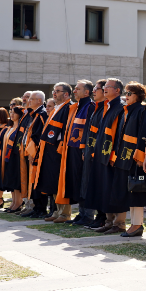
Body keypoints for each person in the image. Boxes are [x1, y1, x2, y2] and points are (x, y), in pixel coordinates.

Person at [100, 82, 146, 236]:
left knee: (136, 192)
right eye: (126, 93)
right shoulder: (127, 111)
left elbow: (145, 135)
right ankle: (133, 224)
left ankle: (137, 226)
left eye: (130, 93)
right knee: (129, 192)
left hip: (135, 160)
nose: (127, 96)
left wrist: (140, 157)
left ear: (139, 95)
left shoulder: (143, 110)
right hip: (124, 158)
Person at [52, 80, 96, 224]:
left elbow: (89, 130)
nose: (75, 91)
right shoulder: (76, 107)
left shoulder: (90, 106)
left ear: (87, 92)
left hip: (82, 149)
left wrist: (84, 148)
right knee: (77, 182)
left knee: (85, 182)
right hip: (72, 149)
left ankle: (88, 215)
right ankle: (81, 214)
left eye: (77, 89)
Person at [87, 78, 126, 233]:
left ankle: (119, 223)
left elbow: (120, 135)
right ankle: (109, 221)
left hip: (112, 156)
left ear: (117, 90)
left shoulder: (121, 108)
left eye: (108, 87)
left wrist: (114, 155)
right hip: (102, 155)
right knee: (104, 189)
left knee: (114, 190)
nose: (104, 89)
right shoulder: (106, 106)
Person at [33, 83, 73, 220]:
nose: (54, 93)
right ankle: (56, 211)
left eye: (58, 91)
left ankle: (65, 213)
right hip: (49, 149)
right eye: (53, 91)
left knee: (59, 181)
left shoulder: (69, 107)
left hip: (58, 149)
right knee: (52, 181)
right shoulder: (57, 108)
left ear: (66, 94)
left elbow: (66, 130)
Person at [78, 79, 109, 228]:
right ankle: (93, 216)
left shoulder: (106, 108)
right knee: (88, 184)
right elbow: (89, 131)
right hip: (90, 151)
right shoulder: (97, 107)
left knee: (99, 185)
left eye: (97, 89)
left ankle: (101, 217)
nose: (94, 91)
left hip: (100, 153)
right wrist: (85, 149)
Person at [0, 106, 24, 213]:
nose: (11, 114)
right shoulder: (10, 127)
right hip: (7, 157)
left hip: (15, 156)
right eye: (10, 112)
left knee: (16, 180)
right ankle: (14, 202)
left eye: (14, 113)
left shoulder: (20, 128)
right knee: (11, 180)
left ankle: (18, 203)